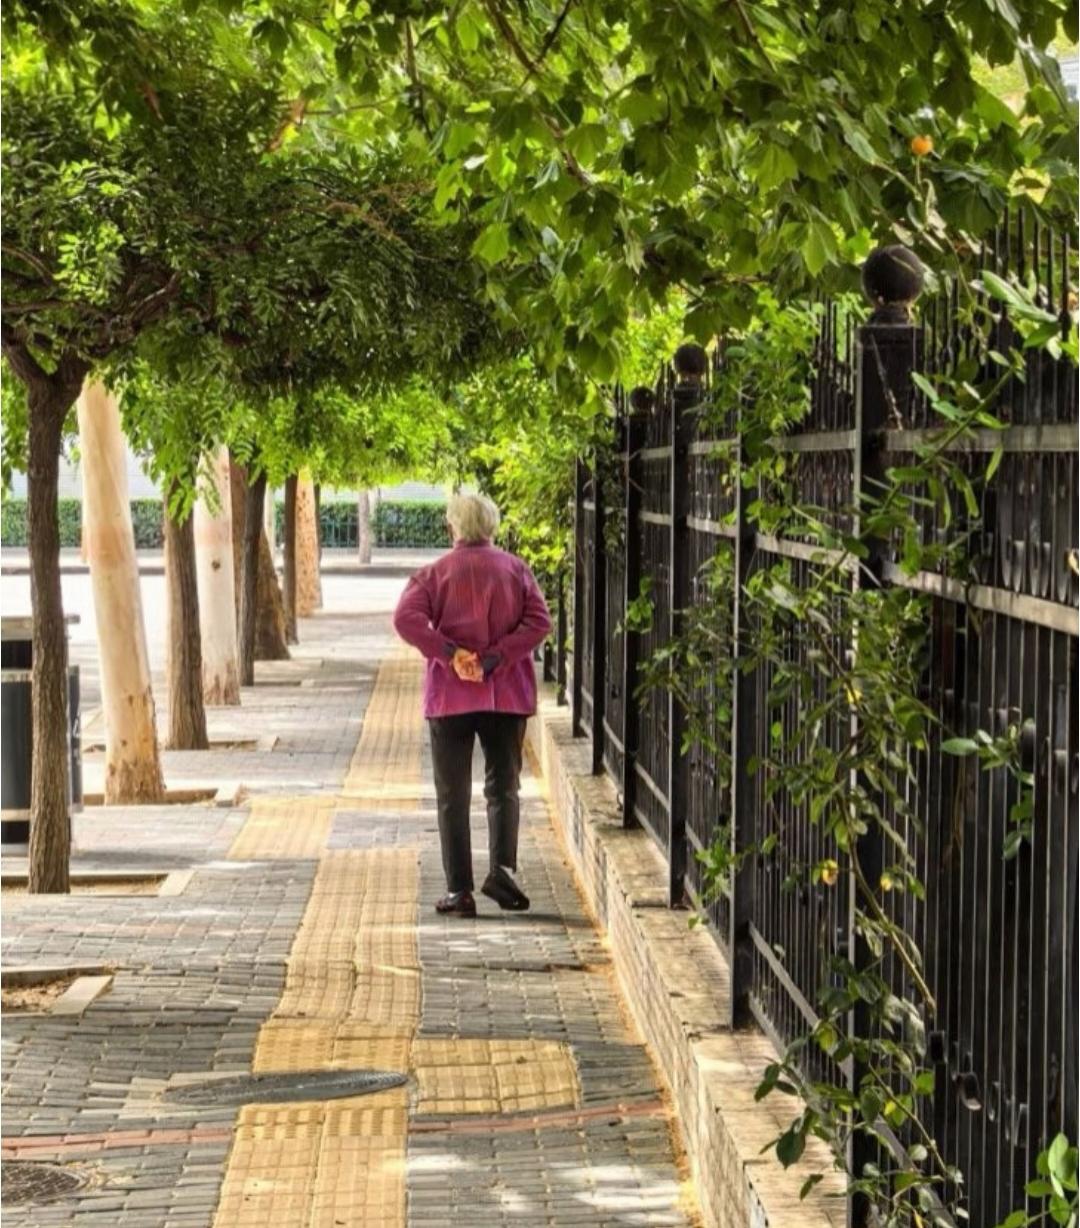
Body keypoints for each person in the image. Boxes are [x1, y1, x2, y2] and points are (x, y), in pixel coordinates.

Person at [392, 493, 552, 917]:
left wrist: (450, 653)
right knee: (504, 787)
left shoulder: (434, 574)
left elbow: (405, 619)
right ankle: (502, 871)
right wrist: (495, 657)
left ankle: (459, 891)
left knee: (452, 793)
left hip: (450, 697)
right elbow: (540, 622)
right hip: (506, 695)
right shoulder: (516, 569)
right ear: (493, 526)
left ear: (452, 527)